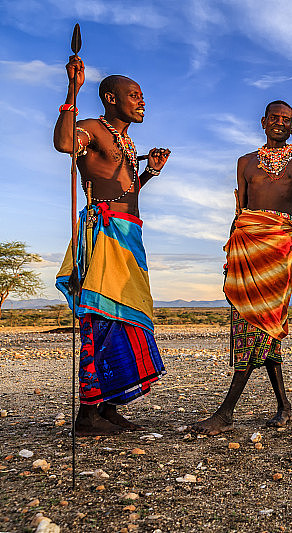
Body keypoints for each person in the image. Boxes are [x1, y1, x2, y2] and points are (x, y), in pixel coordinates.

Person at [192, 100, 292, 435]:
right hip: (245, 243)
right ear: (263, 122)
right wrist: (231, 248)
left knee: (262, 322)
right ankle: (284, 406)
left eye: (287, 120)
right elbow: (242, 208)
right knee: (257, 324)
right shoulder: (245, 162)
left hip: (278, 245)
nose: (280, 122)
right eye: (275, 118)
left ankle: (226, 411)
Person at [53, 55, 170, 435]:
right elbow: (65, 142)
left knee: (122, 319)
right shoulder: (92, 129)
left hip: (128, 232)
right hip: (102, 234)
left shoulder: (125, 140)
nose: (141, 101)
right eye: (134, 95)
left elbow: (127, 192)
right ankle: (87, 415)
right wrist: (73, 88)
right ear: (110, 97)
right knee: (101, 318)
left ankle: (107, 407)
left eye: (142, 96)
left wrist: (149, 172)